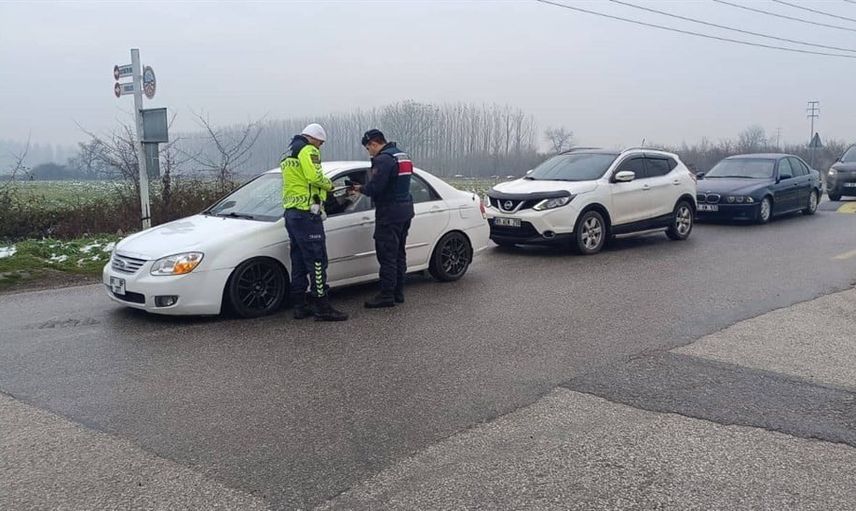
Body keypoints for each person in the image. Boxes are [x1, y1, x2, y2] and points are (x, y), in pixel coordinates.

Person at [281, 123, 348, 321]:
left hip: (291, 213)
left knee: (299, 261)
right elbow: (314, 177)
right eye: (321, 143)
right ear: (315, 138)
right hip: (308, 214)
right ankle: (322, 306)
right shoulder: (308, 150)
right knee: (318, 261)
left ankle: (299, 306)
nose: (320, 147)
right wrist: (329, 185)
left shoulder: (288, 153)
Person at [354, 129, 415, 308]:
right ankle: (398, 292)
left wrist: (360, 189)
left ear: (374, 143)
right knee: (399, 254)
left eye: (368, 148)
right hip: (405, 212)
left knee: (387, 255)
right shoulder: (402, 156)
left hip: (389, 214)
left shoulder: (383, 160)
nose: (369, 152)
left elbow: (375, 188)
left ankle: (386, 295)